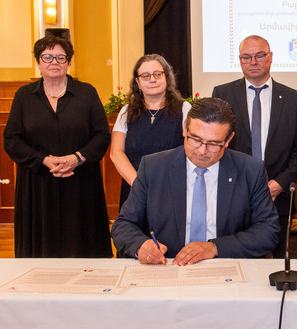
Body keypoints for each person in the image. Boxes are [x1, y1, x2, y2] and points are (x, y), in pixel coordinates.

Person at [111, 97, 279, 265]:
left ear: (228, 140)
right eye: (196, 139)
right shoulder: (153, 167)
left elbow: (268, 231)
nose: (202, 150)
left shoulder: (250, 170)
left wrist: (215, 247)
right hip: (168, 267)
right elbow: (124, 225)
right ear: (185, 128)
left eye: (213, 144)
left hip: (225, 267)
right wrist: (141, 245)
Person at [3, 35, 112, 257]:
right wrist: (43, 159)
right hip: (38, 183)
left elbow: (102, 135)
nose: (54, 62)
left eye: (61, 57)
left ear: (69, 62)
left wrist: (78, 158)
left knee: (84, 247)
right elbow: (11, 139)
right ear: (38, 62)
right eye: (47, 57)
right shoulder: (24, 96)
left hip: (81, 182)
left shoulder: (87, 93)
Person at [212, 35, 297, 258]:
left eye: (259, 55)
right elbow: (216, 144)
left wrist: (278, 184)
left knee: (274, 262)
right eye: (247, 57)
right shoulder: (222, 94)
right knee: (233, 256)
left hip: (277, 196)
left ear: (270, 57)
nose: (253, 62)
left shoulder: (294, 99)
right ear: (240, 60)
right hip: (232, 191)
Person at [109, 54, 190, 208]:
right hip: (134, 190)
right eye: (145, 76)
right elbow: (116, 153)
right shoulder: (126, 112)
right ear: (138, 82)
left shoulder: (184, 109)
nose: (152, 79)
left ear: (166, 77)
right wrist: (139, 185)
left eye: (157, 74)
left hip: (171, 190)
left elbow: (190, 150)